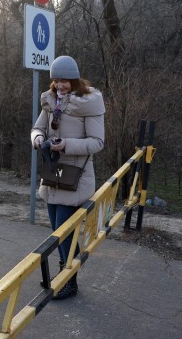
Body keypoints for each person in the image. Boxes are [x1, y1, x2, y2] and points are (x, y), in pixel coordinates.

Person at [31, 55, 105, 300]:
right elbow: (38, 127)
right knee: (56, 229)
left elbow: (97, 143)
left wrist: (65, 145)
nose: (60, 85)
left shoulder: (89, 104)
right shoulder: (52, 100)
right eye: (56, 80)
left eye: (65, 81)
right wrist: (38, 139)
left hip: (76, 176)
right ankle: (63, 274)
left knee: (64, 232)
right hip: (54, 173)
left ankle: (69, 281)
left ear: (75, 79)